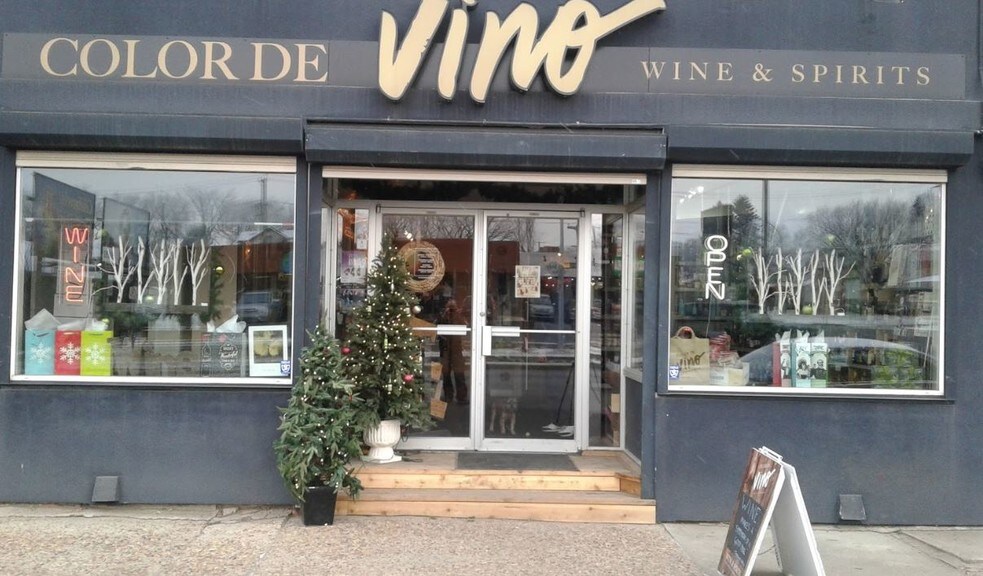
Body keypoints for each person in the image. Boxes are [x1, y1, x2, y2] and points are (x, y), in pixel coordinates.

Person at [439, 298, 468, 403]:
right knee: (446, 373)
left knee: (459, 373)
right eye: (449, 307)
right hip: (445, 347)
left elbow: (465, 326)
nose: (451, 310)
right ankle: (448, 395)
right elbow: (437, 327)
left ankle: (461, 396)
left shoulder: (459, 315)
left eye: (453, 307)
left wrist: (457, 314)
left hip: (456, 348)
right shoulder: (443, 315)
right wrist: (445, 315)